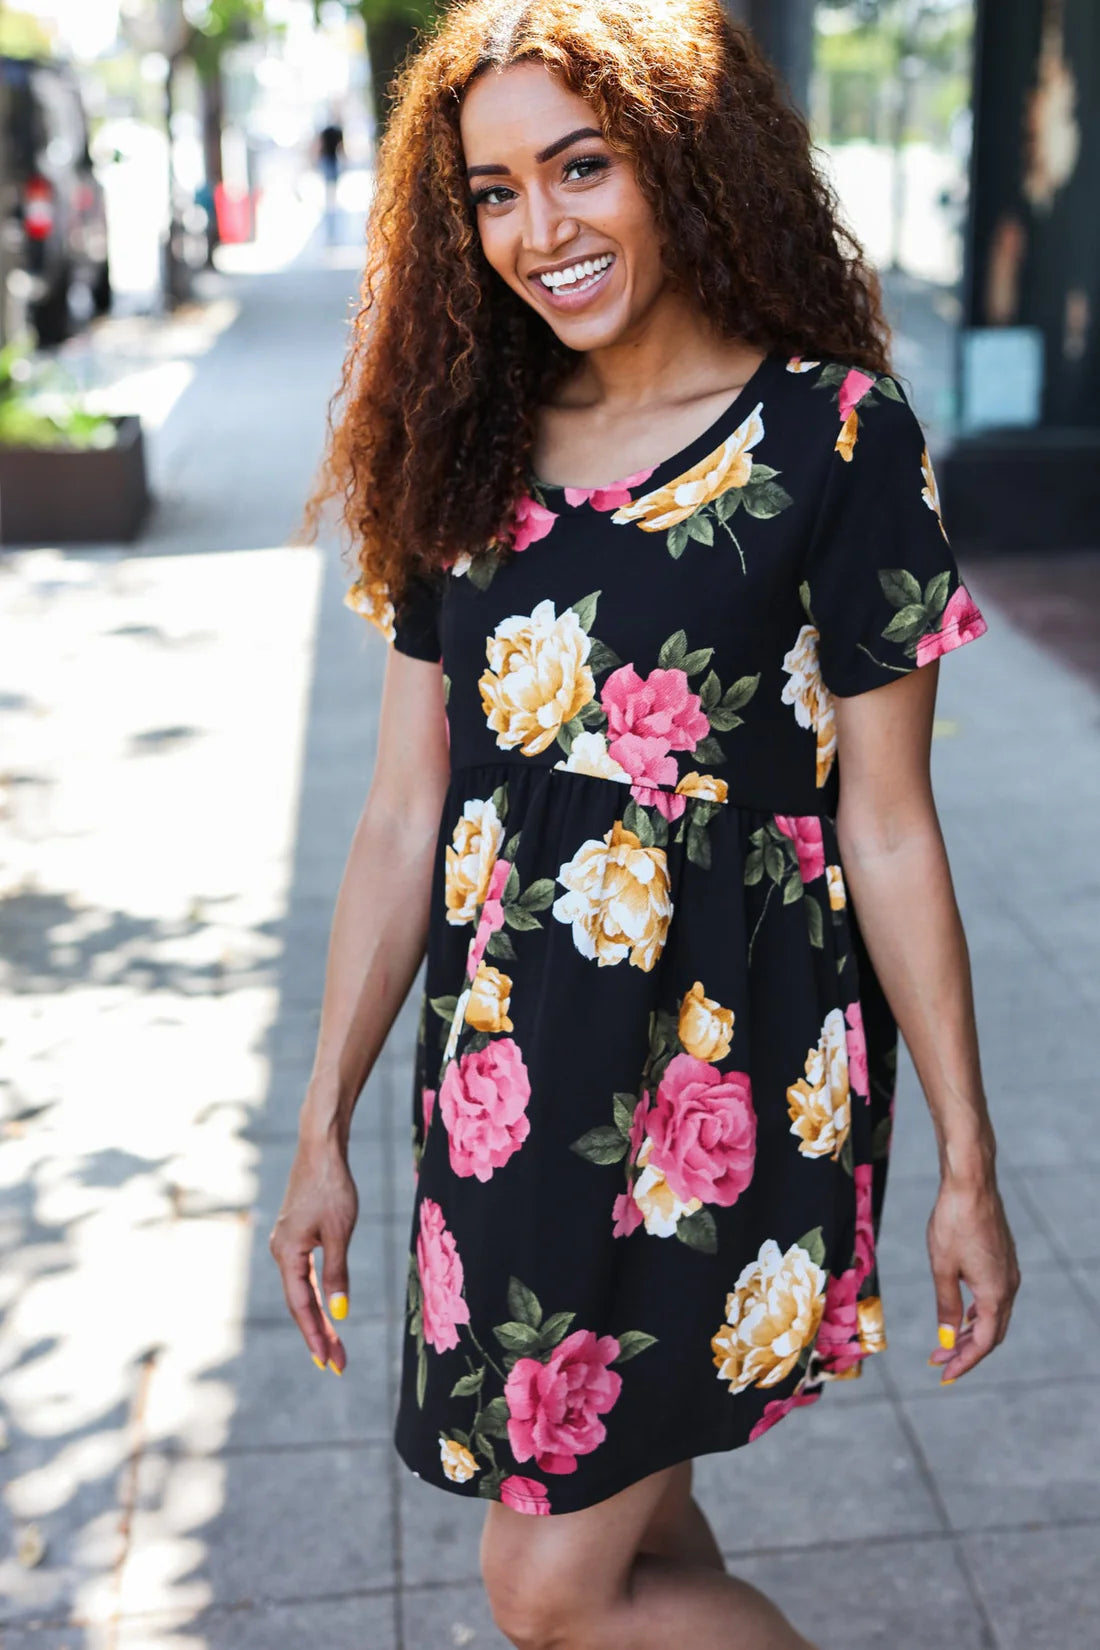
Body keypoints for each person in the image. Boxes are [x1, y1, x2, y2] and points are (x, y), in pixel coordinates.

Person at [274, 3, 1020, 1645]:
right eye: (492, 192)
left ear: (677, 158)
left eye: (581, 167)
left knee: (545, 1586)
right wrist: (319, 1124)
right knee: (638, 1530)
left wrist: (969, 1160)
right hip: (507, 1097)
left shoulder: (835, 436)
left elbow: (890, 827)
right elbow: (406, 818)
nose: (541, 231)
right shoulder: (458, 449)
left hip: (722, 1085)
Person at [315, 113, 344, 243]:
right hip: (333, 160)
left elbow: (320, 147)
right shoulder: (337, 131)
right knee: (332, 184)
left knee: (329, 184)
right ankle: (332, 201)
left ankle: (330, 201)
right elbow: (341, 147)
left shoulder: (326, 131)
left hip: (327, 160)